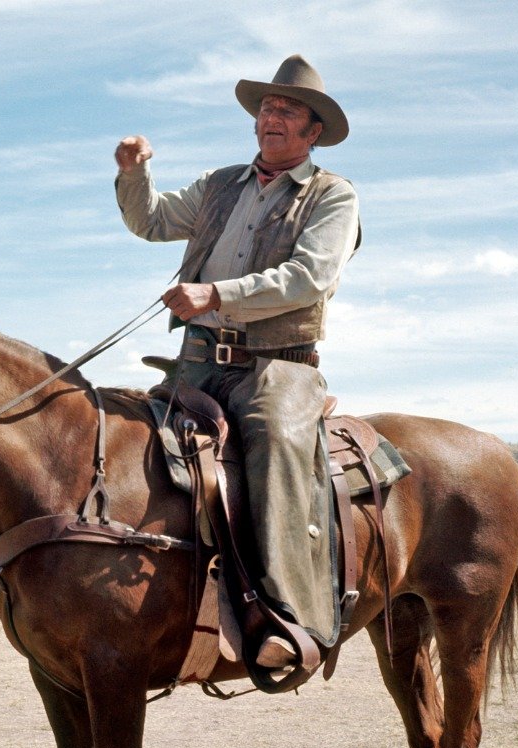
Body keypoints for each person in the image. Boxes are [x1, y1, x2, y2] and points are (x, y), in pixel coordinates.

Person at [114, 55, 360, 668]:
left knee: (275, 441)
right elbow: (151, 221)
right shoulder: (220, 185)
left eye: (289, 111)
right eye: (267, 109)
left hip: (278, 366)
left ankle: (284, 615)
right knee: (125, 437)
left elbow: (308, 278)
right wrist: (133, 174)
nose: (272, 118)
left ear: (313, 132)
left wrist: (216, 294)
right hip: (196, 358)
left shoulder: (333, 196)